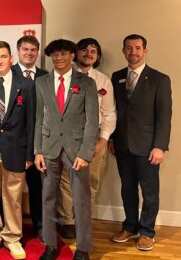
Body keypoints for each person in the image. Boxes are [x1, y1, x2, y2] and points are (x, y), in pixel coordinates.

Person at [34, 39, 98, 260]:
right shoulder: (41, 82)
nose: (58, 58)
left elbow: (92, 122)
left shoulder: (87, 83)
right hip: (49, 148)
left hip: (76, 150)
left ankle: (83, 248)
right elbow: (38, 118)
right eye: (54, 55)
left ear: (72, 55)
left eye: (63, 54)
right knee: (47, 198)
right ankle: (50, 245)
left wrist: (85, 153)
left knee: (80, 200)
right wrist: (38, 150)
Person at [109, 34, 172, 252]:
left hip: (148, 147)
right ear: (123, 50)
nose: (133, 52)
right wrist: (111, 138)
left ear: (145, 50)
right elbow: (112, 111)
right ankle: (130, 227)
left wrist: (160, 146)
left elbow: (164, 116)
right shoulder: (116, 76)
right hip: (123, 144)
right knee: (127, 189)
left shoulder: (159, 79)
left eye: (137, 48)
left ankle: (147, 232)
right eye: (129, 48)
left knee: (149, 191)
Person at [0, 41, 35, 259]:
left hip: (16, 150)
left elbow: (31, 121)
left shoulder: (26, 85)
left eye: (3, 56)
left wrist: (29, 153)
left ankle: (12, 237)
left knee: (13, 197)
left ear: (11, 58)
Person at [57, 38, 116, 239]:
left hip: (93, 140)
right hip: (67, 139)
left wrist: (103, 140)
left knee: (90, 183)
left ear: (98, 56)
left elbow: (109, 114)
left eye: (94, 51)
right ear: (75, 53)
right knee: (66, 182)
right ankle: (67, 220)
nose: (89, 54)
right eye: (84, 50)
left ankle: (82, 219)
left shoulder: (103, 81)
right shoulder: (62, 76)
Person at [12, 35, 47, 239]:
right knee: (10, 190)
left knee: (38, 186)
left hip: (39, 141)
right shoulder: (7, 73)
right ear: (18, 51)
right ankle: (10, 227)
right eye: (25, 49)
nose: (29, 53)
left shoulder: (45, 76)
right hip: (14, 142)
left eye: (33, 50)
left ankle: (40, 225)